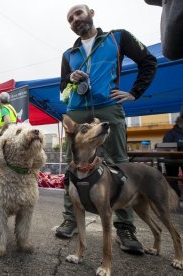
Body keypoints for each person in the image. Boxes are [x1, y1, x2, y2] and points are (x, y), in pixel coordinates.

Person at [56, 4, 157, 255]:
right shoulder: (69, 54)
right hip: (78, 110)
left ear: (91, 12)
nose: (75, 19)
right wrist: (70, 81)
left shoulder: (117, 36)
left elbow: (149, 61)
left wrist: (134, 93)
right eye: (70, 18)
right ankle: (71, 218)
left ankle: (124, 226)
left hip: (108, 106)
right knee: (73, 163)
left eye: (78, 13)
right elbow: (62, 91)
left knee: (119, 163)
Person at [162, 116, 183, 198]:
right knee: (172, 176)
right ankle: (175, 195)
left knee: (172, 177)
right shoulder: (170, 133)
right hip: (171, 159)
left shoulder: (170, 133)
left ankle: (175, 195)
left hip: (173, 159)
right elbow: (165, 146)